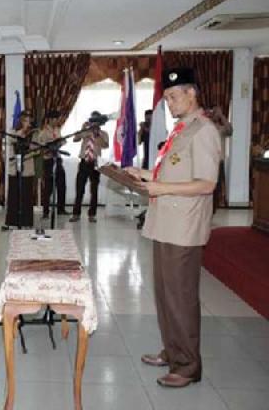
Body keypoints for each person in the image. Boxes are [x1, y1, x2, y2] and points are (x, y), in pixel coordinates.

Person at [126, 67, 220, 388]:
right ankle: (172, 351)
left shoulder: (204, 130)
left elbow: (206, 184)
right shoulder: (182, 130)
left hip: (184, 227)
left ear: (192, 93)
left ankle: (188, 365)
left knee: (180, 297)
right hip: (165, 223)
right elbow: (173, 176)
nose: (169, 102)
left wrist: (162, 189)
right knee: (165, 295)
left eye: (173, 96)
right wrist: (143, 175)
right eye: (166, 97)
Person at [69, 111, 109, 223]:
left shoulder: (103, 133)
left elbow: (105, 145)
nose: (94, 123)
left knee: (94, 190)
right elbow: (75, 139)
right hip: (84, 161)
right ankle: (76, 214)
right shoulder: (85, 130)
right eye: (93, 120)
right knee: (79, 189)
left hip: (96, 163)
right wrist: (83, 130)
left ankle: (92, 214)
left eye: (96, 121)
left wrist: (97, 134)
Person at [3, 112, 37, 230]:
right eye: (26, 120)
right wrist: (22, 132)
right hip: (14, 166)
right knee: (14, 195)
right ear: (21, 121)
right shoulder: (12, 132)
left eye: (29, 121)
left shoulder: (34, 134)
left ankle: (27, 222)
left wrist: (28, 152)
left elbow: (37, 149)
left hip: (27, 167)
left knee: (26, 195)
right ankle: (11, 222)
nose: (28, 123)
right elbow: (11, 140)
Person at [35, 110, 68, 217]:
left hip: (58, 158)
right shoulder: (43, 132)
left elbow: (62, 141)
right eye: (55, 119)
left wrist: (59, 143)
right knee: (48, 187)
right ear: (50, 119)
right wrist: (50, 146)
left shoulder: (57, 130)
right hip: (48, 160)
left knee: (62, 184)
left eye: (58, 119)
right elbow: (41, 147)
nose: (57, 121)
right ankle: (45, 211)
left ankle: (61, 209)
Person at [206, 105, 232, 212]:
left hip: (218, 162)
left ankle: (213, 210)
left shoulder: (221, 128)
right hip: (206, 162)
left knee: (216, 187)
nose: (215, 114)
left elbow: (230, 131)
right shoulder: (205, 126)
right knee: (205, 187)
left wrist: (222, 116)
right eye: (214, 112)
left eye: (217, 112)